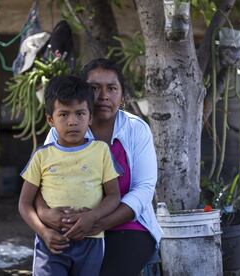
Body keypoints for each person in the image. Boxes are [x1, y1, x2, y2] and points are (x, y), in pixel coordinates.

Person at [36, 58, 163, 276]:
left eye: (112, 89)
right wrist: (45, 215)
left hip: (127, 226)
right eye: (94, 88)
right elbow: (40, 181)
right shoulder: (63, 129)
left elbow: (143, 190)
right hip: (72, 227)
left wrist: (98, 222)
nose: (103, 96)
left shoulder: (136, 129)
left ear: (123, 97)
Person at [18, 75, 122, 276]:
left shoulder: (101, 152)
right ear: (50, 119)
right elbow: (24, 204)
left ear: (90, 117)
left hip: (90, 241)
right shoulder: (42, 156)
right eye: (64, 115)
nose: (73, 121)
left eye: (80, 113)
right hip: (52, 243)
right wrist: (44, 231)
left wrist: (93, 216)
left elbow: (113, 196)